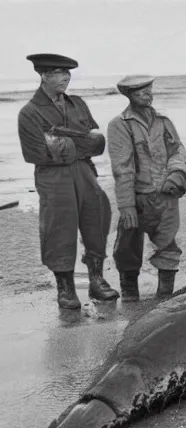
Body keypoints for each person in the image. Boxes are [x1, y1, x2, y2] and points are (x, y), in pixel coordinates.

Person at [18, 53, 119, 310]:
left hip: (85, 170)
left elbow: (97, 143)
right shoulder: (29, 112)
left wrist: (62, 141)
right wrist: (80, 142)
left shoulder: (78, 104)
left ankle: (97, 280)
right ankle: (65, 288)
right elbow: (37, 153)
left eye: (68, 73)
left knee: (97, 219)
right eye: (59, 73)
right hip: (52, 176)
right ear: (43, 75)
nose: (66, 78)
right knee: (59, 230)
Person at [107, 76, 186, 301]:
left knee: (169, 244)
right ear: (129, 96)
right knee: (127, 247)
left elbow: (178, 150)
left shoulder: (163, 121)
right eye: (141, 92)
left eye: (149, 90)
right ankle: (130, 296)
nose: (148, 95)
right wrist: (126, 206)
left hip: (166, 196)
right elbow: (122, 168)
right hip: (137, 198)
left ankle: (165, 298)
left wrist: (177, 172)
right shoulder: (119, 125)